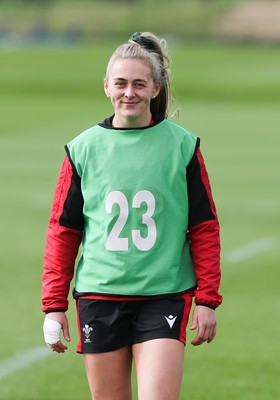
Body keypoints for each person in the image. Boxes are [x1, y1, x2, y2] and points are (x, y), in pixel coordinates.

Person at [42, 31, 222, 400]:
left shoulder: (182, 145)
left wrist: (207, 298)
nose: (129, 93)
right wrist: (53, 305)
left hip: (164, 295)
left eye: (139, 84)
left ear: (156, 89)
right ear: (106, 86)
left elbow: (203, 227)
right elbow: (63, 231)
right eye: (121, 83)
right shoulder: (83, 149)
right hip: (100, 296)